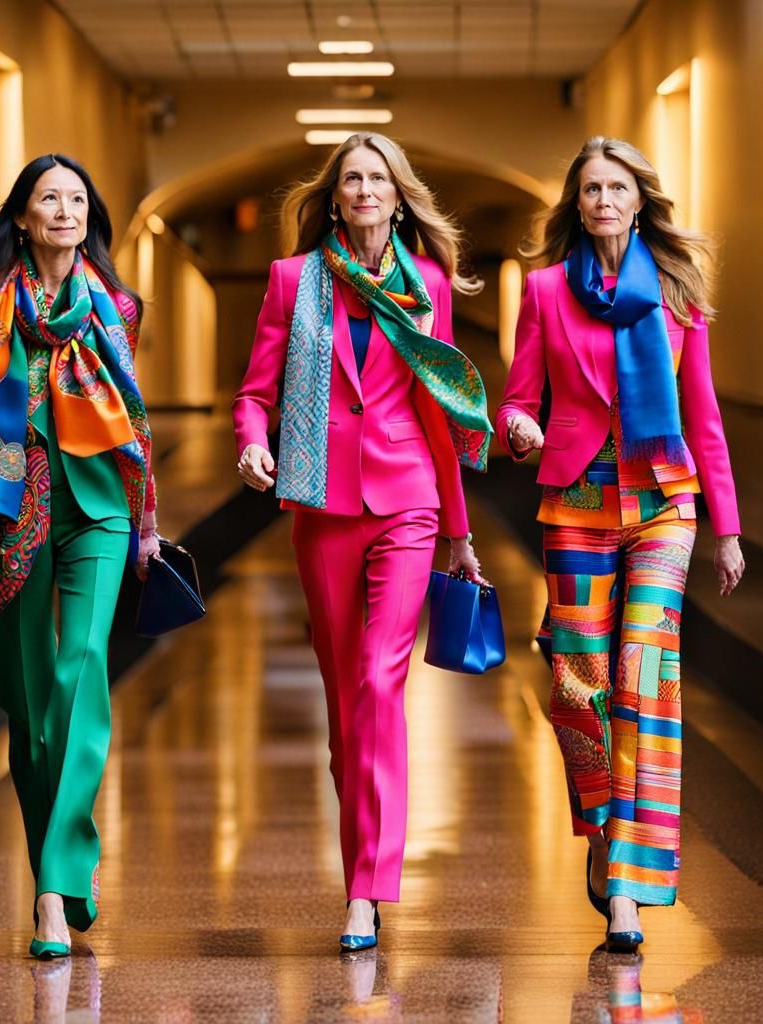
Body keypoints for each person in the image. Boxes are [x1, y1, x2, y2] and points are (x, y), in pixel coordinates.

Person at [233, 132, 492, 950]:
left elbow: (441, 412)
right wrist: (251, 439)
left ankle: (367, 891)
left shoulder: (428, 288)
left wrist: (458, 529)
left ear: (398, 193)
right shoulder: (292, 280)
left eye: (380, 177)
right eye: (354, 178)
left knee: (383, 681)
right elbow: (253, 390)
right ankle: (361, 856)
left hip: (408, 495)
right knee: (348, 706)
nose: (367, 190)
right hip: (320, 499)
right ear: (335, 196)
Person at [496, 136, 745, 952]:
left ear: (640, 201)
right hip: (573, 500)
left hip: (663, 501)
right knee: (580, 679)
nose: (603, 199)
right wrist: (521, 425)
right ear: (577, 203)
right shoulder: (542, 292)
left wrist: (731, 526)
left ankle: (632, 883)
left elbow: (703, 416)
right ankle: (601, 823)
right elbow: (518, 398)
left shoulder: (677, 296)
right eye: (591, 188)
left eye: (617, 187)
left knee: (645, 670)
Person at [0, 154, 160, 959]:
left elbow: (132, 411)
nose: (63, 210)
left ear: (88, 217)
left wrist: (147, 512)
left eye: (76, 199)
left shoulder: (116, 307)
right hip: (8, 519)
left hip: (97, 509)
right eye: (47, 199)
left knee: (80, 671)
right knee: (30, 713)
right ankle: (55, 871)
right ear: (22, 217)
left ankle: (55, 890)